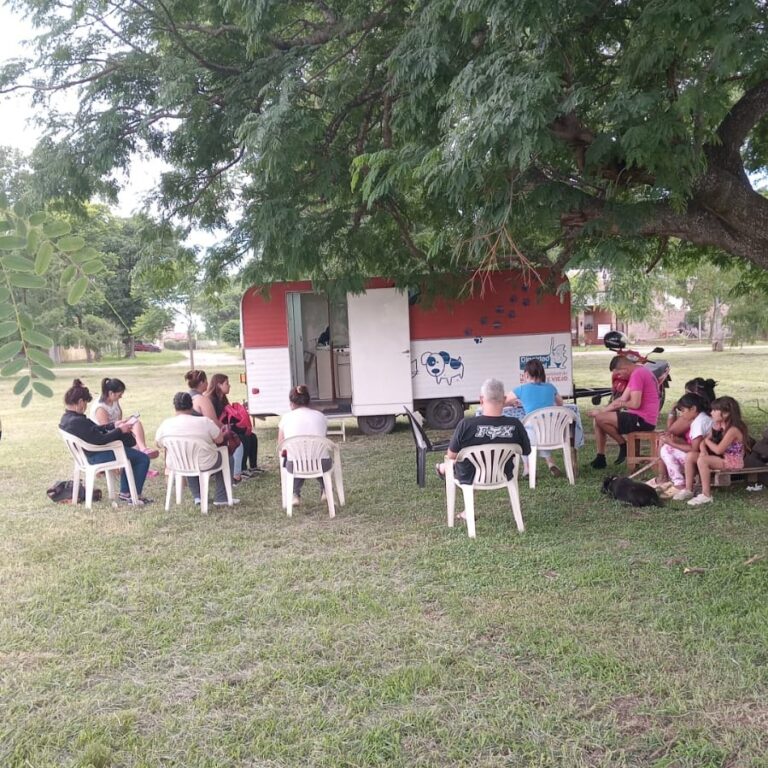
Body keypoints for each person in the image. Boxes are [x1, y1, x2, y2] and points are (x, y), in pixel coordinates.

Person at [59, 378, 152, 505]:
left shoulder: (67, 419)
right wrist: (120, 430)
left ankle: (126, 493)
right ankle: (134, 495)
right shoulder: (77, 421)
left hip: (86, 455)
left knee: (131, 453)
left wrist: (114, 425)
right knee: (142, 458)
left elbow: (95, 429)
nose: (85, 407)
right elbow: (101, 440)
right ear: (80, 402)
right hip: (96, 455)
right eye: (86, 403)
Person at [437, 378, 530, 485]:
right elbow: (526, 451)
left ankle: (443, 468)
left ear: (481, 400)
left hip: (470, 476)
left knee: (452, 462)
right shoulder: (516, 424)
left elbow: (451, 455)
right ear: (504, 399)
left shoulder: (466, 425)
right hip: (504, 474)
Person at [155, 392, 240, 507]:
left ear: (175, 407)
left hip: (177, 463)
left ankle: (197, 496)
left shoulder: (166, 424)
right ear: (191, 406)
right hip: (205, 463)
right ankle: (221, 497)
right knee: (227, 459)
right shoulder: (204, 422)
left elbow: (158, 444)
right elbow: (220, 440)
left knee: (187, 457)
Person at [673, 396, 749, 506]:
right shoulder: (719, 426)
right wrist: (703, 450)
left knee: (703, 461)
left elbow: (718, 450)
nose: (711, 413)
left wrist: (707, 442)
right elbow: (703, 442)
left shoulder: (733, 430)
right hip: (723, 458)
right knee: (690, 456)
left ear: (726, 413)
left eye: (714, 410)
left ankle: (706, 495)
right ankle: (688, 490)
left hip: (733, 461)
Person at [588, 355, 660, 468]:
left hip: (643, 420)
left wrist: (606, 411)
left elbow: (635, 404)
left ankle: (623, 445)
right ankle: (600, 457)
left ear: (625, 368)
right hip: (639, 417)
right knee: (598, 419)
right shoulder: (638, 372)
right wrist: (602, 411)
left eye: (619, 374)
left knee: (600, 418)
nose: (619, 377)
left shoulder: (637, 374)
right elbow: (621, 399)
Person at [505, 359, 565, 477]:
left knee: (520, 433)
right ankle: (550, 462)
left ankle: (527, 468)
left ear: (526, 374)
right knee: (540, 429)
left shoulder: (521, 389)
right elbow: (560, 403)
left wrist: (514, 402)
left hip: (531, 436)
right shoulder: (550, 387)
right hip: (551, 434)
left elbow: (504, 402)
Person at [90, 377, 160, 473]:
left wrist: (125, 422)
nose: (121, 397)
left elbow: (118, 417)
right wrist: (121, 427)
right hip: (107, 437)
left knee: (136, 423)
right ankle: (140, 463)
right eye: (119, 395)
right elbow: (106, 429)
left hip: (116, 429)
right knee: (132, 439)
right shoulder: (100, 408)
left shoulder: (114, 400)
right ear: (111, 393)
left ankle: (143, 450)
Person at [278, 385, 329, 506]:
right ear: (308, 400)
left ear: (291, 403)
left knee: (294, 460)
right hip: (321, 463)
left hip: (296, 465)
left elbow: (281, 444)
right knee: (317, 459)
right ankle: (326, 490)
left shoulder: (286, 418)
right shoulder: (321, 416)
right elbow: (324, 437)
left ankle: (295, 494)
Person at [657, 393, 712, 498]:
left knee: (667, 449)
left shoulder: (699, 422)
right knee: (667, 447)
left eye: (683, 411)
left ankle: (678, 484)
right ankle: (676, 481)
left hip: (702, 458)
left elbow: (693, 449)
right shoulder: (701, 418)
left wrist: (672, 443)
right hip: (704, 455)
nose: (682, 415)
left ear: (693, 409)